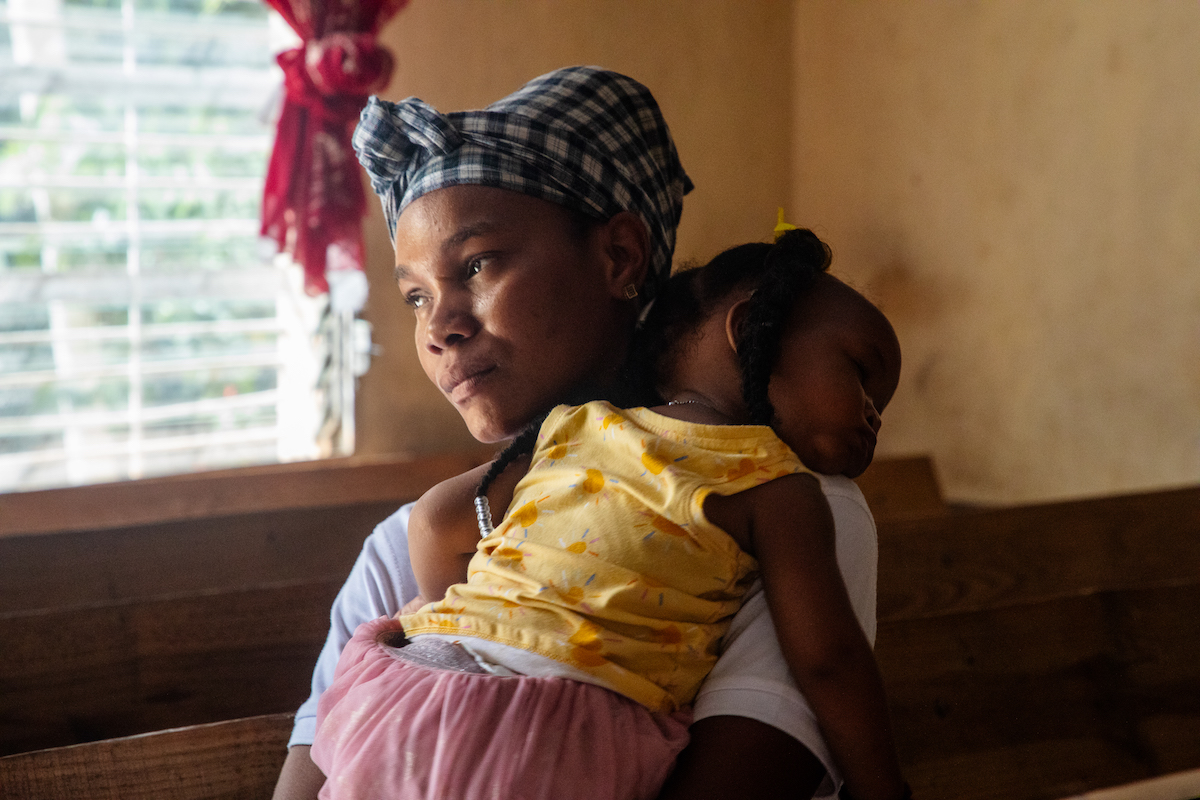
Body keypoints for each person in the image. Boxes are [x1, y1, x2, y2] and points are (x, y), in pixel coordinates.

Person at [272, 66, 882, 800]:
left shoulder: (778, 506)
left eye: (477, 264)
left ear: (619, 256)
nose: (439, 327)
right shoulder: (400, 550)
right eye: (415, 296)